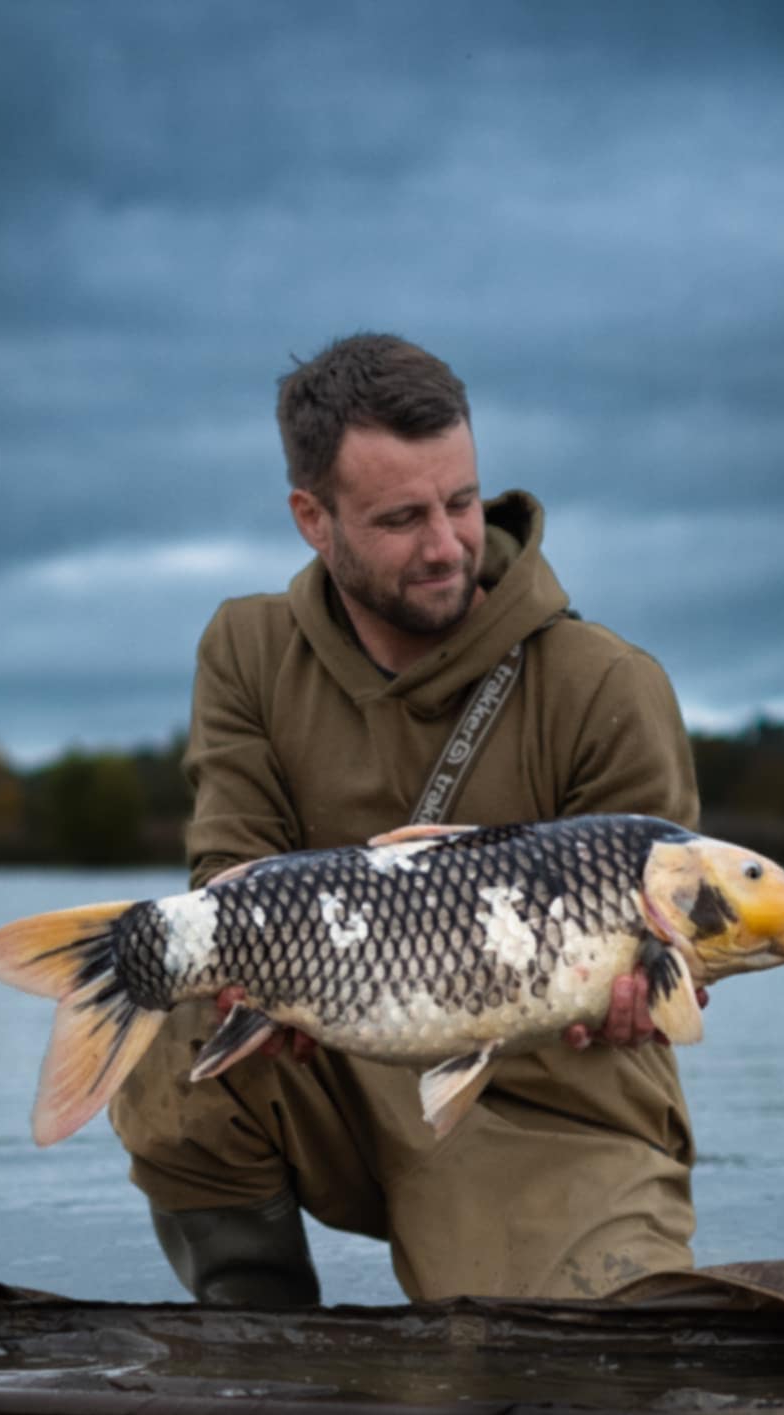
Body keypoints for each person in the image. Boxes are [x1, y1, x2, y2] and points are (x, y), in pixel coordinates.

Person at [110, 333, 702, 1307]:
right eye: (399, 518)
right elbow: (228, 877)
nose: (444, 546)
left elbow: (675, 940)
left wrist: (647, 986)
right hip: (331, 1063)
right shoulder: (247, 647)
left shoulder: (608, 683)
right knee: (170, 1006)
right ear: (313, 518)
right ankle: (256, 1353)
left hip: (551, 1106)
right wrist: (251, 982)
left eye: (460, 502)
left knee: (584, 1372)